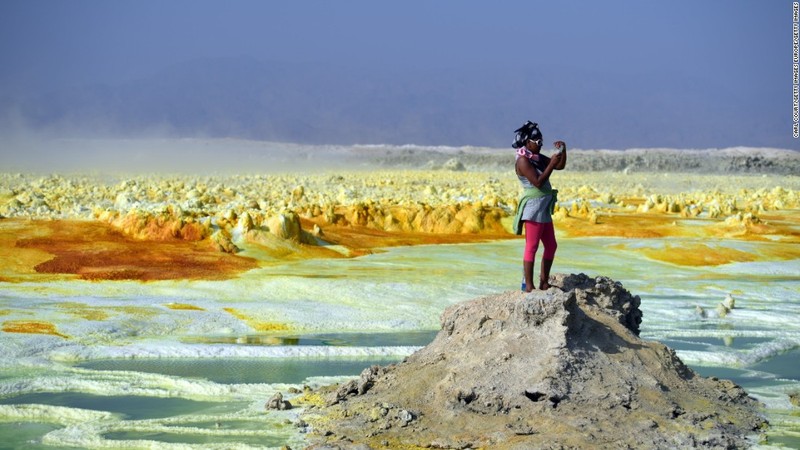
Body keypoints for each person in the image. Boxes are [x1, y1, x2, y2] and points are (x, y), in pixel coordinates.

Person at [511, 121, 566, 292]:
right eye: (537, 142)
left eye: (541, 142)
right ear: (527, 142)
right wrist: (550, 164)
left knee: (551, 245)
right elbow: (538, 182)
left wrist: (562, 151)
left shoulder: (536, 158)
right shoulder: (523, 161)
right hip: (533, 208)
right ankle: (528, 285)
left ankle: (543, 281)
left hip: (543, 209)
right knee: (532, 246)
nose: (540, 145)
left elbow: (559, 165)